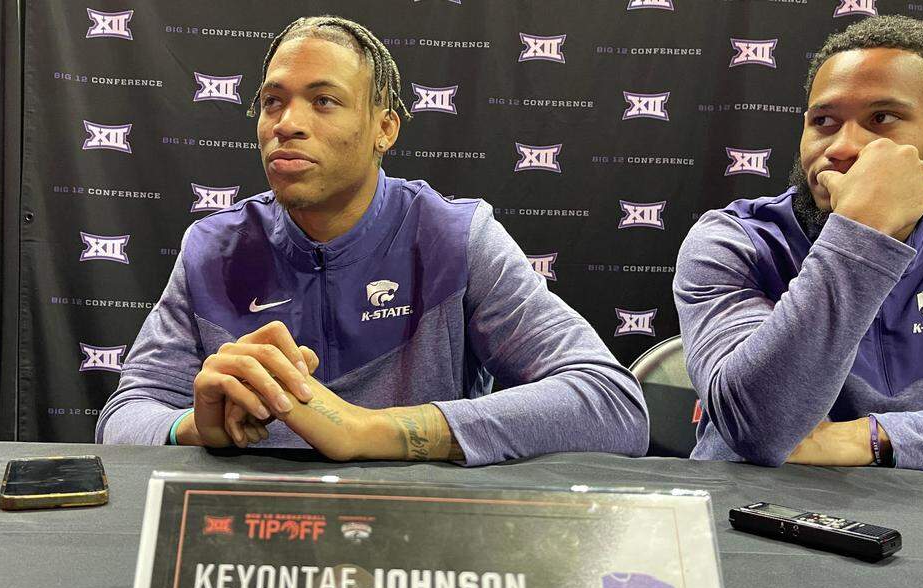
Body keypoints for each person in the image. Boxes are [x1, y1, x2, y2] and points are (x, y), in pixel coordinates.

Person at [96, 16, 648, 465]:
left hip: (418, 546)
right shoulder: (212, 249)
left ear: (385, 128)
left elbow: (612, 405)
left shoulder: (452, 238)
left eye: (324, 100)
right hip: (256, 545)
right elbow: (123, 418)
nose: (287, 123)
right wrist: (193, 427)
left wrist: (369, 431)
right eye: (272, 102)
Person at [675, 15, 923, 470]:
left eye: (883, 118)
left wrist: (874, 437)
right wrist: (864, 231)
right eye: (824, 121)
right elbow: (759, 427)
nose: (842, 146)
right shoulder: (737, 241)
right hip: (756, 515)